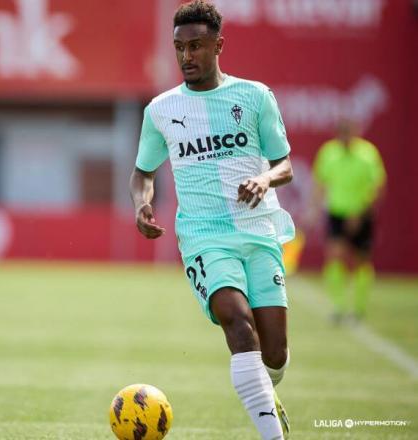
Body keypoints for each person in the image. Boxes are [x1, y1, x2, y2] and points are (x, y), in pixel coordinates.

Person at [129, 2, 294, 438]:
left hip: (258, 232)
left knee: (273, 353)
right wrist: (141, 203)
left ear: (218, 45)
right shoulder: (160, 110)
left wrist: (263, 178)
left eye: (196, 46)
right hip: (204, 238)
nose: (186, 56)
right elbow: (142, 173)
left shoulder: (254, 96)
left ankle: (267, 391)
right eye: (180, 47)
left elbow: (285, 165)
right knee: (238, 323)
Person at [310, 118, 385, 323]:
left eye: (348, 132)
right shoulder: (329, 153)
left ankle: (359, 307)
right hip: (337, 212)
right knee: (335, 256)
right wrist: (314, 210)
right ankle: (339, 306)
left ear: (355, 132)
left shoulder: (368, 154)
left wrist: (362, 212)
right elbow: (321, 183)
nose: (345, 137)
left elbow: (377, 187)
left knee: (362, 260)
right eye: (341, 132)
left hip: (361, 213)